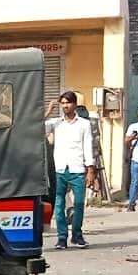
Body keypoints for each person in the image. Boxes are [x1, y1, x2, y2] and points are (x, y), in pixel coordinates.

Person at [48, 91, 95, 249]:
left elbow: (88, 147)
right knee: (59, 205)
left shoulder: (84, 124)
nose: (65, 106)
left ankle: (77, 235)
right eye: (62, 103)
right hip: (60, 169)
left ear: (74, 104)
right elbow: (35, 124)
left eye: (68, 102)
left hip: (77, 169)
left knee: (79, 204)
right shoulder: (55, 123)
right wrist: (49, 110)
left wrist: (90, 170)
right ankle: (62, 237)